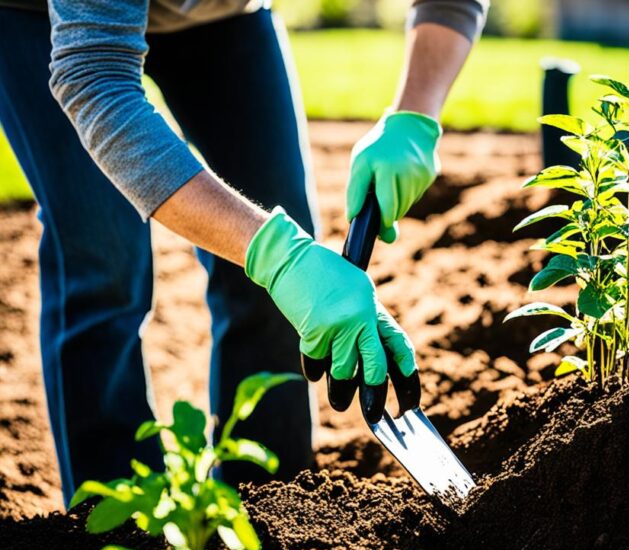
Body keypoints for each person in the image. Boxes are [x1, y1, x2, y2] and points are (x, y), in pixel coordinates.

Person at [0, 0, 487, 506]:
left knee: (280, 256)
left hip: (223, 18)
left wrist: (416, 115)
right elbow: (94, 75)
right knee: (103, 260)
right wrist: (279, 257)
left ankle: (266, 512)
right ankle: (117, 534)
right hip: (49, 22)